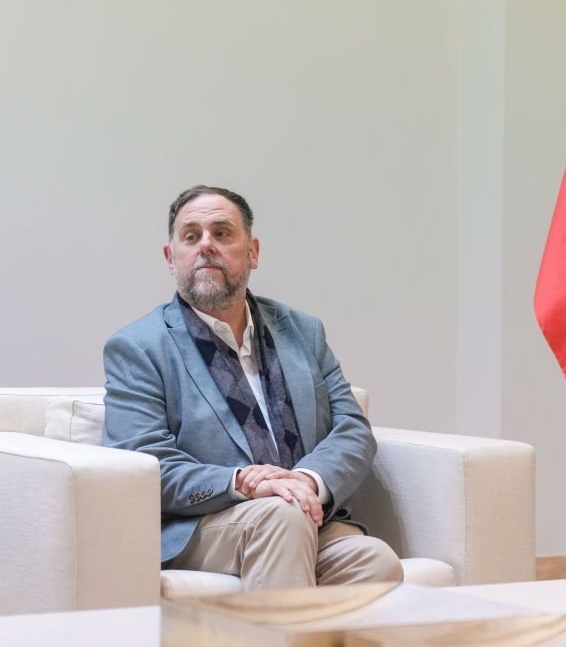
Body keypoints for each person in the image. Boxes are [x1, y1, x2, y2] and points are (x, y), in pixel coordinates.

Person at [102, 185, 404, 590]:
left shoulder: (303, 332)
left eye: (222, 233)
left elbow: (351, 428)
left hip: (304, 511)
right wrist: (243, 481)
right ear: (170, 257)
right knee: (282, 517)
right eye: (191, 236)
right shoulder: (139, 347)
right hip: (204, 525)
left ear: (253, 252)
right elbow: (142, 464)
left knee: (376, 562)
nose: (206, 245)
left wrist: (308, 480)